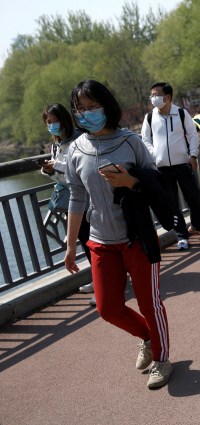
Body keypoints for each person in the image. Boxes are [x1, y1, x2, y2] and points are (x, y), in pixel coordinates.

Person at [64, 79, 173, 389]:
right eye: (80, 110)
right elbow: (75, 197)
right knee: (108, 308)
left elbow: (156, 185)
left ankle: (163, 359)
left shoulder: (131, 142)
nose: (86, 114)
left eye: (92, 107)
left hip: (136, 237)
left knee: (149, 302)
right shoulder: (76, 150)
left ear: (106, 106)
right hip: (100, 241)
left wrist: (132, 183)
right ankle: (149, 338)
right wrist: (71, 245)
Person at [141, 82, 200, 250]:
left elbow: (193, 135)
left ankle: (198, 226)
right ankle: (181, 235)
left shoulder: (181, 114)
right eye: (152, 95)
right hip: (161, 168)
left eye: (157, 95)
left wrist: (193, 156)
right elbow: (145, 141)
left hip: (183, 165)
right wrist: (154, 156)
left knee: (194, 199)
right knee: (172, 204)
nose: (154, 98)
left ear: (168, 97)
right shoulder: (149, 117)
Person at [39, 104, 95, 306]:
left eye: (54, 120)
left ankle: (106, 282)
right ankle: (101, 280)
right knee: (85, 240)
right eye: (48, 122)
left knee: (93, 241)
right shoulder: (57, 144)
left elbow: (84, 167)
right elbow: (61, 176)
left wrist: (59, 165)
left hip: (87, 198)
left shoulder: (79, 139)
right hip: (73, 200)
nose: (51, 125)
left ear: (64, 119)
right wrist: (49, 169)